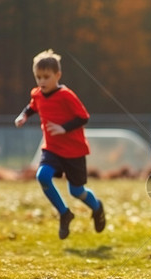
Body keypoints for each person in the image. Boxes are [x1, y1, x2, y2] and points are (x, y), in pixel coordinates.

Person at [14, 49, 105, 239]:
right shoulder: (37, 94)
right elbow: (32, 106)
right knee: (43, 176)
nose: (41, 82)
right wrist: (23, 116)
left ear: (58, 75)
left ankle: (97, 208)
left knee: (77, 191)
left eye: (46, 77)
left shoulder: (66, 95)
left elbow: (83, 117)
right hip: (52, 149)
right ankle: (65, 213)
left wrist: (64, 128)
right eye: (38, 77)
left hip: (74, 151)